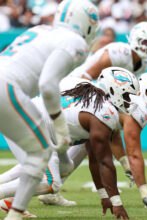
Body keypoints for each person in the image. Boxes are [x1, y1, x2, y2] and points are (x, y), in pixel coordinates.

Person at [36, 21, 147, 206]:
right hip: (80, 91)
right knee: (89, 141)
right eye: (145, 42)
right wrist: (96, 107)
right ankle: (44, 186)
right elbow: (89, 76)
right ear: (133, 38)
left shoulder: (142, 63)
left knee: (82, 147)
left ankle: (52, 186)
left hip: (97, 98)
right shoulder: (120, 52)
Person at [0, 0, 99, 219]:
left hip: (8, 85)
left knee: (41, 154)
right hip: (7, 88)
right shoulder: (75, 42)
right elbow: (47, 84)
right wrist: (61, 126)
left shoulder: (40, 29)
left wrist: (63, 152)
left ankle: (13, 211)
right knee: (41, 154)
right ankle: (13, 214)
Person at [0, 67, 139, 219]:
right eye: (127, 95)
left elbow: (94, 156)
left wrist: (104, 195)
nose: (129, 101)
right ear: (112, 90)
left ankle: (9, 200)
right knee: (52, 183)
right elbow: (104, 162)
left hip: (35, 121)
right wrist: (117, 202)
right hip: (29, 122)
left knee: (65, 166)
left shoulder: (92, 93)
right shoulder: (104, 114)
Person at [69, 21, 147, 81]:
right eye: (145, 42)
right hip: (77, 82)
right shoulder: (120, 53)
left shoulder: (144, 64)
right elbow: (87, 76)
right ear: (135, 39)